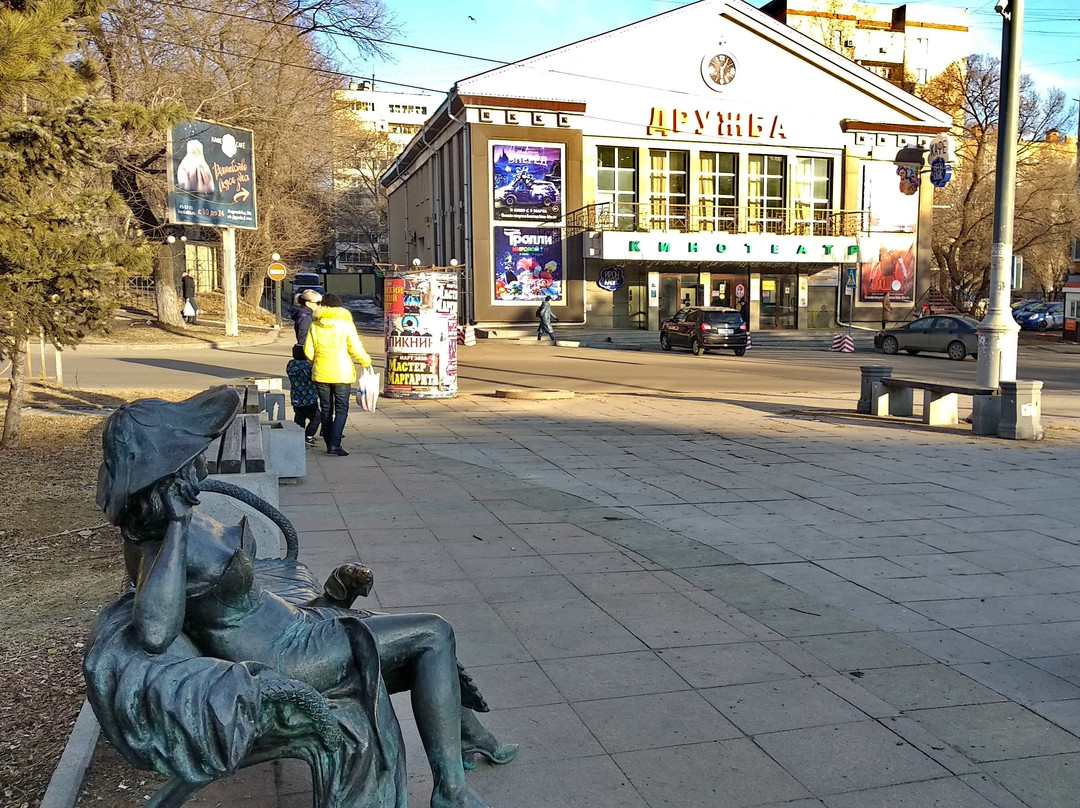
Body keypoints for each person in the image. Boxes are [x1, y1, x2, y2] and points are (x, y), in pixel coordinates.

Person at [90, 388, 514, 808]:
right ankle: (451, 790)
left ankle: (469, 741)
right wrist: (179, 526)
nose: (203, 453)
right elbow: (153, 631)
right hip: (288, 657)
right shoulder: (158, 542)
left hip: (299, 627)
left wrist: (328, 599)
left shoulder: (170, 525)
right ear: (171, 467)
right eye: (192, 448)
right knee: (433, 634)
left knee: (419, 639)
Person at [304, 294, 370, 456]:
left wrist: (317, 362)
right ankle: (335, 443)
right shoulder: (346, 325)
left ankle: (328, 441)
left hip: (321, 373)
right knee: (341, 409)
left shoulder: (315, 325)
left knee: (326, 409)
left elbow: (308, 351)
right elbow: (355, 347)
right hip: (342, 372)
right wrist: (365, 362)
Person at [286, 344, 320, 447]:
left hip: (296, 398)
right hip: (309, 398)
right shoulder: (307, 367)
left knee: (299, 419)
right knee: (317, 418)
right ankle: (308, 435)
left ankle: (298, 437)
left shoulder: (291, 365)